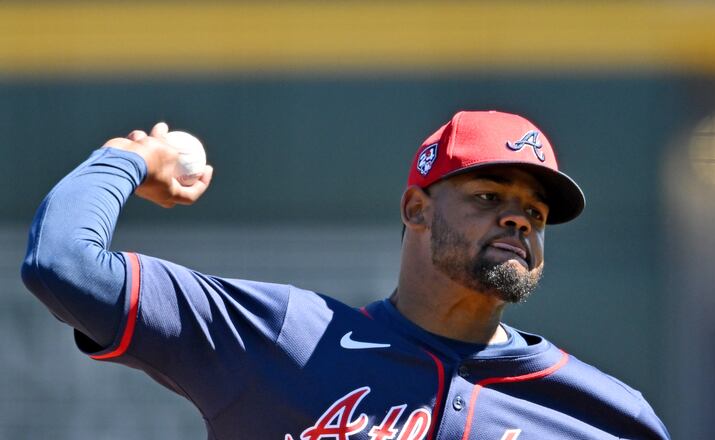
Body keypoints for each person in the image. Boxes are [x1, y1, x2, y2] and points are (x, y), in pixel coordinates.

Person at [21, 110, 670, 439]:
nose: (517, 221)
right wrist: (126, 157)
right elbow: (63, 264)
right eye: (487, 196)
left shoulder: (609, 417)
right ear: (416, 208)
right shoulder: (281, 342)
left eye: (534, 211)